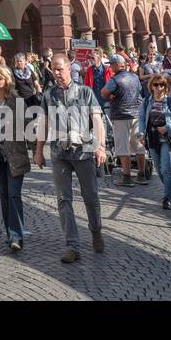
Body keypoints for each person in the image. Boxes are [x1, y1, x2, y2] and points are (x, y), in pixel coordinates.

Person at [35, 60, 107, 264]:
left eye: (60, 69)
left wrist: (101, 147)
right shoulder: (48, 94)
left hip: (83, 153)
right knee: (63, 199)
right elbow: (43, 123)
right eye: (54, 69)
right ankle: (72, 246)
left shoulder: (85, 92)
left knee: (91, 197)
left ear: (69, 68)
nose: (57, 73)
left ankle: (96, 231)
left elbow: (98, 121)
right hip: (59, 154)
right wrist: (39, 150)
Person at [0, 64, 31, 251]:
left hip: (15, 155)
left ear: (7, 81)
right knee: (4, 196)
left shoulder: (16, 100)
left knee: (13, 195)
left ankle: (17, 236)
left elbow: (28, 125)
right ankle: (11, 234)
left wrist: (37, 149)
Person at [100, 53, 147, 187]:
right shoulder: (135, 77)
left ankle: (126, 176)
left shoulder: (115, 80)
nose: (110, 68)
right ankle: (141, 174)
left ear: (116, 65)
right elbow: (139, 92)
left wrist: (111, 96)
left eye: (111, 65)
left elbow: (103, 92)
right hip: (136, 114)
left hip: (121, 115)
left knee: (122, 146)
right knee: (139, 145)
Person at [139, 75, 171, 209]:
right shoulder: (147, 101)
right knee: (159, 170)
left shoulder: (170, 102)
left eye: (162, 85)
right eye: (156, 85)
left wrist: (167, 127)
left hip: (167, 139)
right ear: (151, 86)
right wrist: (141, 134)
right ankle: (170, 186)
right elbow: (141, 119)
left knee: (166, 169)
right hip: (152, 138)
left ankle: (167, 197)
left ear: (165, 87)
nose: (159, 88)